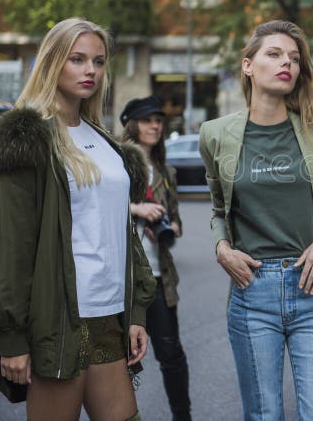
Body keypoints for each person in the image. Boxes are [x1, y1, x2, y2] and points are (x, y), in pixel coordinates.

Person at [0, 18, 155, 420]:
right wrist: (12, 337)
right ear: (53, 62)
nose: (90, 70)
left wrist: (136, 314)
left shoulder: (105, 142)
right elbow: (6, 246)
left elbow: (124, 233)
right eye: (77, 59)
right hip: (55, 322)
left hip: (109, 317)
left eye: (98, 61)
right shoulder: (28, 139)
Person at [198, 20, 313, 421]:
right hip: (252, 290)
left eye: (294, 58)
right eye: (274, 54)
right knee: (264, 414)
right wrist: (221, 249)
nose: (287, 63)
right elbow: (219, 209)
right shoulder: (215, 134)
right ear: (248, 66)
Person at [121, 96, 191, 421]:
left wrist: (167, 225)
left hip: (159, 275)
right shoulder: (117, 163)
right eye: (148, 120)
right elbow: (93, 210)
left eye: (159, 121)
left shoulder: (165, 171)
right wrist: (138, 209)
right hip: (122, 277)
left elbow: (176, 222)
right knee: (119, 356)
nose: (155, 126)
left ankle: (182, 416)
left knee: (171, 354)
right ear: (132, 124)